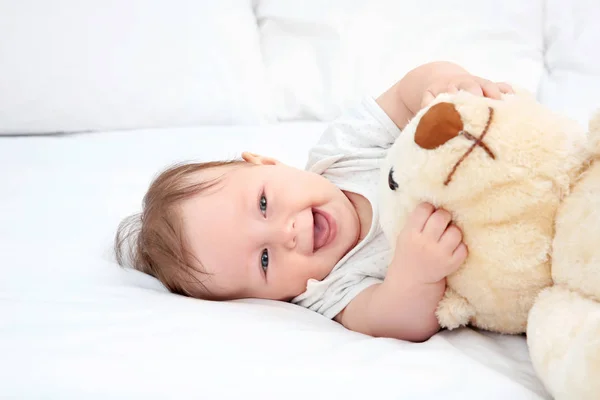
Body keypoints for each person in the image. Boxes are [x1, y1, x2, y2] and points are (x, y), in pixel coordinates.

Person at [115, 61, 514, 342]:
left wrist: (447, 85)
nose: (285, 233)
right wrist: (416, 274)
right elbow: (394, 320)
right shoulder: (330, 291)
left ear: (266, 162)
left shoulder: (341, 152)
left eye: (264, 204)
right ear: (271, 299)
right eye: (265, 260)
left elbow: (407, 90)